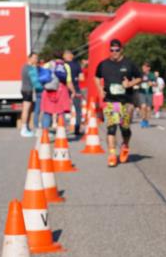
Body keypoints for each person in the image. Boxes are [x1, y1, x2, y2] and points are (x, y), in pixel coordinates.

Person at [95, 38, 141, 167]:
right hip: (110, 101)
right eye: (111, 50)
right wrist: (99, 89)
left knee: (124, 127)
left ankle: (125, 145)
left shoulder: (129, 64)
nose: (114, 52)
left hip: (126, 101)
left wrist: (130, 83)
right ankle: (112, 154)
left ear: (121, 50)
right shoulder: (103, 64)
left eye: (117, 50)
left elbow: (139, 77)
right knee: (111, 127)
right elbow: (97, 77)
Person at [62, 49, 84, 137]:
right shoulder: (77, 65)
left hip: (64, 88)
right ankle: (77, 129)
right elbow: (82, 78)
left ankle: (62, 128)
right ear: (72, 56)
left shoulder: (62, 65)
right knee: (78, 109)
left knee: (63, 109)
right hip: (76, 88)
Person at [19, 52, 39, 137]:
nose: (36, 60)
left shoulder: (25, 67)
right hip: (27, 90)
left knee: (29, 109)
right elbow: (35, 79)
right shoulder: (29, 68)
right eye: (34, 58)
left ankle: (26, 127)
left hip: (27, 89)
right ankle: (24, 129)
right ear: (29, 58)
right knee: (26, 109)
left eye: (36, 58)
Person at [137, 61, 154, 127]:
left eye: (144, 67)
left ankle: (146, 121)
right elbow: (137, 81)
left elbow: (155, 83)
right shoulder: (140, 74)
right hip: (142, 92)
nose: (143, 68)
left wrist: (152, 84)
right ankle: (143, 120)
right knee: (143, 106)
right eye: (142, 67)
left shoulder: (151, 75)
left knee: (149, 108)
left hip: (149, 93)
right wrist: (138, 84)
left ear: (148, 68)